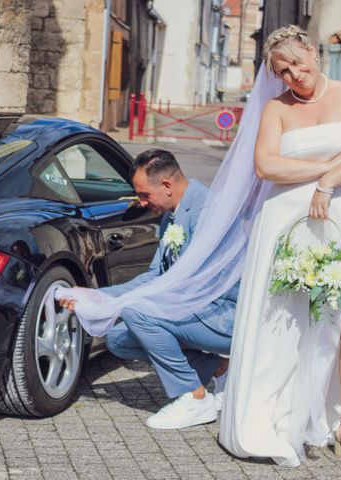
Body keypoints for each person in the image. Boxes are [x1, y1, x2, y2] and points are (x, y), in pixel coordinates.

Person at [219, 25, 341, 467]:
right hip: (282, 223)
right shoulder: (276, 108)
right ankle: (268, 420)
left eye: (297, 62)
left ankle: (330, 418)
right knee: (282, 324)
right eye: (283, 70)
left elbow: (287, 164)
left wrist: (328, 181)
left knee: (333, 322)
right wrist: (329, 164)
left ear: (313, 52)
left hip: (339, 216)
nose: (294, 74)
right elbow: (264, 165)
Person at [58, 149, 237, 429]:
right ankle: (219, 368)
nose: (141, 203)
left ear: (167, 185)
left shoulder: (209, 212)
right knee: (117, 337)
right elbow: (156, 275)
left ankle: (194, 397)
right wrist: (99, 296)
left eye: (144, 195)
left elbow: (186, 282)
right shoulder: (171, 215)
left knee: (137, 313)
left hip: (226, 315)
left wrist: (116, 304)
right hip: (196, 309)